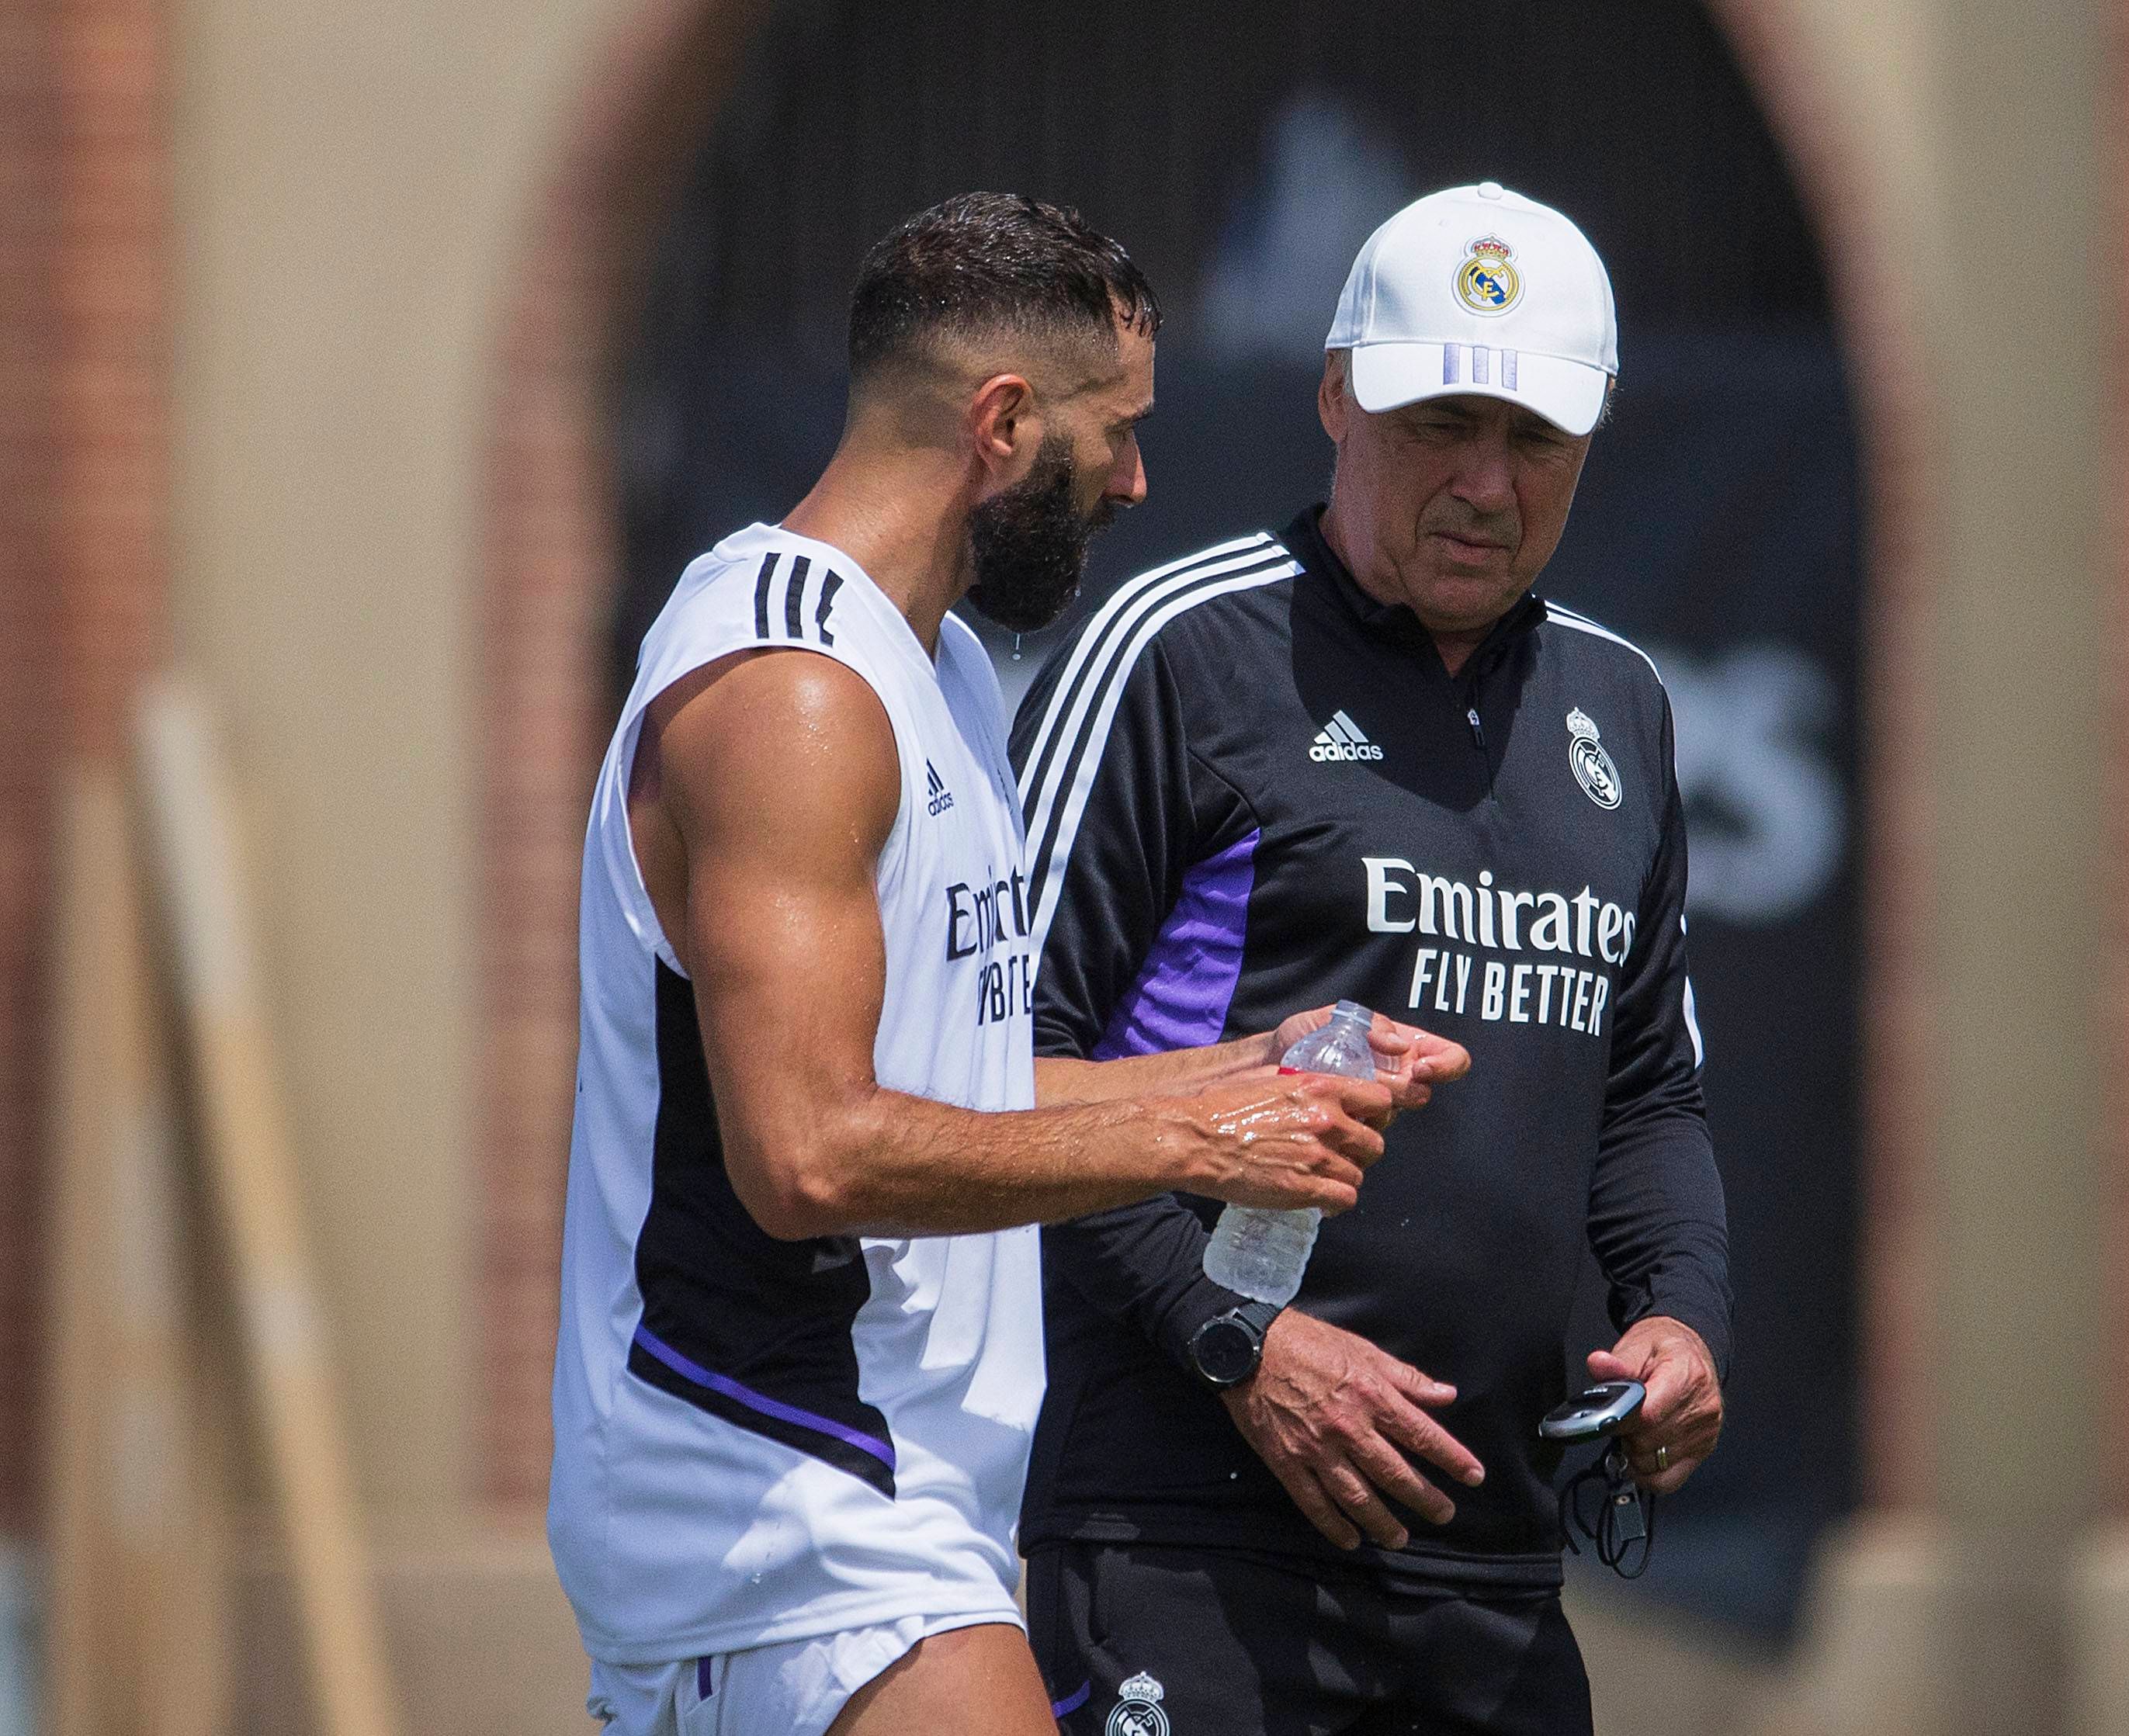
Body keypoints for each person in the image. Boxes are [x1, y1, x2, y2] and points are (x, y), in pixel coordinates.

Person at [546, 192, 1467, 1736]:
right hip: (788, 1512)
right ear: (1000, 422)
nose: (1138, 476)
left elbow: (951, 1092)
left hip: (880, 1519)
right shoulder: (792, 688)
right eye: (1116, 432)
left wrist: (1239, 1071)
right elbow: (809, 1154)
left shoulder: (944, 667)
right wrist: (1185, 1139)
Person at [1012, 181, 1732, 1733]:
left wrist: (1682, 1318)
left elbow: (1649, 1096)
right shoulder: (1180, 649)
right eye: (1437, 423)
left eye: (1533, 438)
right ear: (1338, 394)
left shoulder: (1622, 707)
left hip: (1496, 1578)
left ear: (1594, 435)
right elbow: (1001, 1071)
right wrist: (1241, 1345)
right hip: (1186, 1542)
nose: (1485, 481)